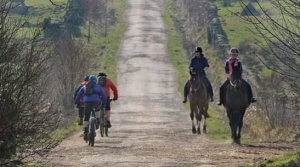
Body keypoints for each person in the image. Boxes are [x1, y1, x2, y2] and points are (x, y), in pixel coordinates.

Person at [75, 75, 107, 140]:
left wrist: (77, 102)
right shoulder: (99, 87)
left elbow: (78, 95)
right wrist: (103, 104)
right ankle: (97, 120)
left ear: (89, 80)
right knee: (97, 109)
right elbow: (104, 96)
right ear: (96, 81)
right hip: (96, 102)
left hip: (87, 103)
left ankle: (86, 131)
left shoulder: (84, 86)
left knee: (86, 117)